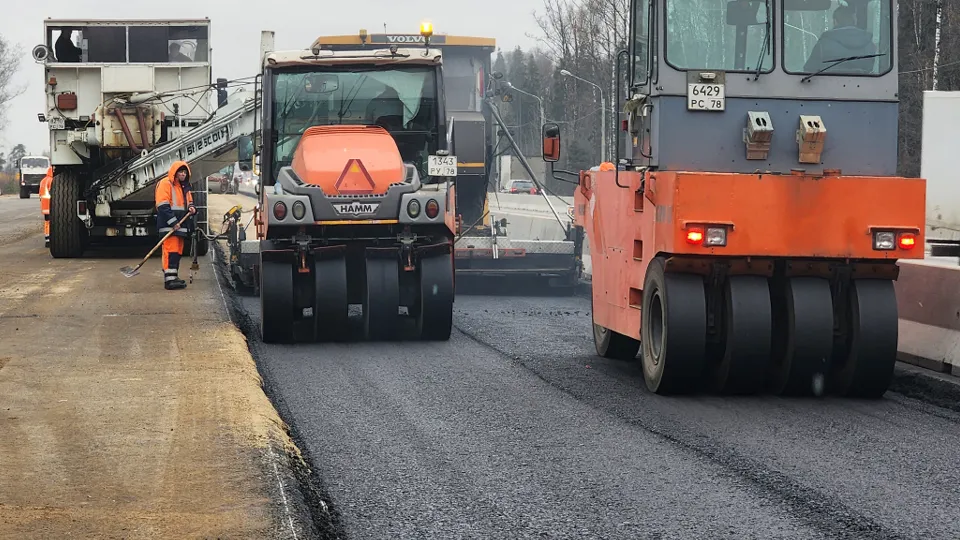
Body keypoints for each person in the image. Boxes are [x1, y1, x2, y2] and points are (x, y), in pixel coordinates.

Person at [155, 161, 196, 290]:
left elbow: (189, 201)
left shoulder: (185, 187)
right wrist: (173, 222)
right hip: (169, 225)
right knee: (170, 251)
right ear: (175, 172)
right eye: (181, 172)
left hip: (180, 226)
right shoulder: (165, 184)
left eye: (185, 172)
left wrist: (192, 208)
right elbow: (162, 205)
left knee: (177, 252)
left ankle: (174, 277)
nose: (183, 174)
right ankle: (169, 280)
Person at [803, 5, 877, 74]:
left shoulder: (823, 45)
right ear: (855, 21)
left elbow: (809, 70)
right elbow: (872, 69)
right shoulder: (870, 44)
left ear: (835, 21)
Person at [39, 166, 54, 248]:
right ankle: (51, 238)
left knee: (47, 222)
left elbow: (40, 194)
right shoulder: (51, 180)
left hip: (44, 206)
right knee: (52, 222)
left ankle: (47, 238)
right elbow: (53, 192)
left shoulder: (43, 181)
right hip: (50, 204)